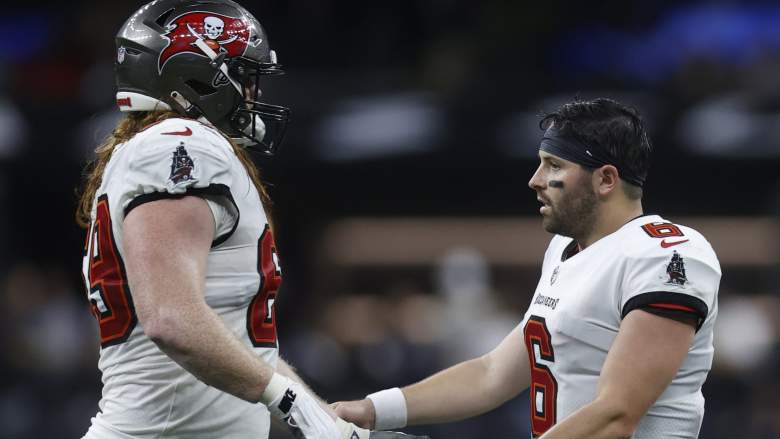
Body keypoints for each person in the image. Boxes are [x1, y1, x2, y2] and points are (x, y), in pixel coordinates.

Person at [77, 1, 426, 438]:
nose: (254, 93)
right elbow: (170, 318)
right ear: (197, 75)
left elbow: (236, 344)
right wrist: (292, 403)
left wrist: (331, 425)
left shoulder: (157, 147)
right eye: (243, 76)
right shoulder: (179, 145)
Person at [333, 98, 721, 439]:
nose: (536, 181)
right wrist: (372, 410)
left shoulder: (666, 254)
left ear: (605, 179)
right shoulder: (565, 250)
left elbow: (615, 416)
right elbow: (491, 374)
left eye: (553, 165)